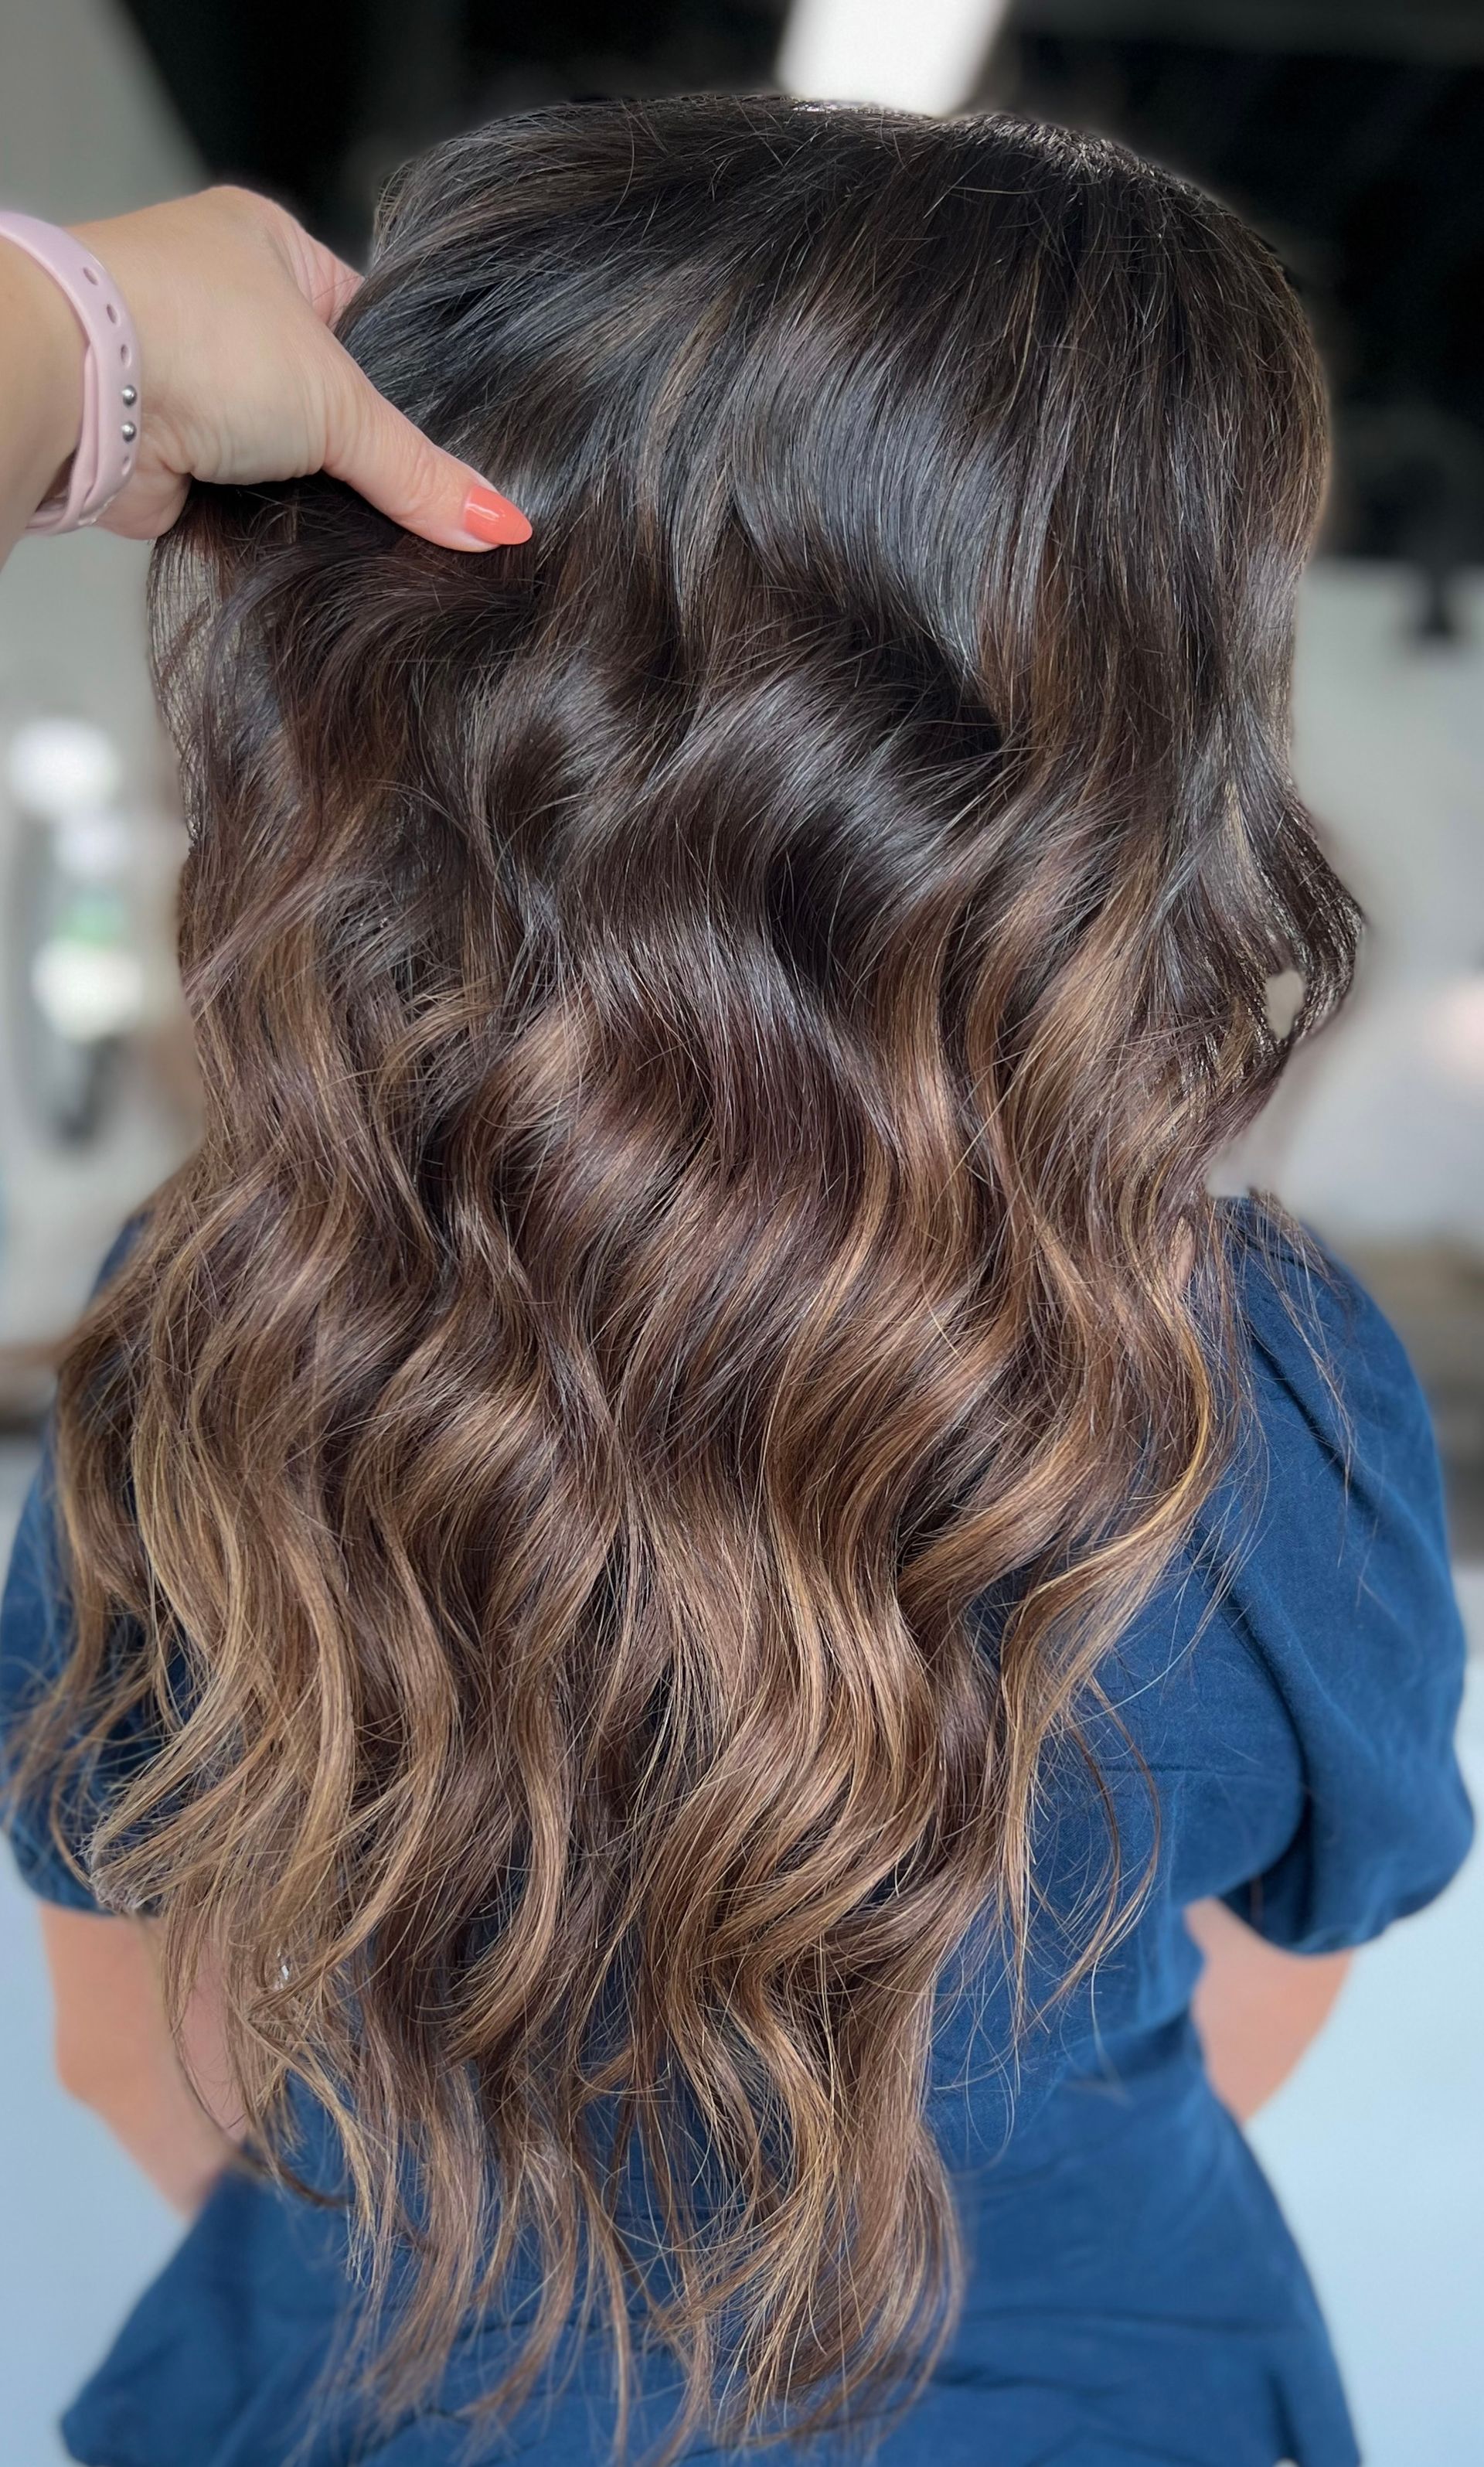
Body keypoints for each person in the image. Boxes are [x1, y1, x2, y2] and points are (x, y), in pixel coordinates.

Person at [0, 97, 1472, 2467]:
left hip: (387, 2389)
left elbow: (123, 2037)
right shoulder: (1265, 1378)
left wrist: (66, 341)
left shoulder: (231, 1309)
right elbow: (1279, 1979)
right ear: (1139, 746)